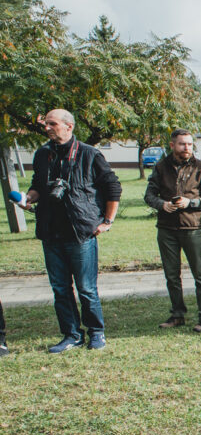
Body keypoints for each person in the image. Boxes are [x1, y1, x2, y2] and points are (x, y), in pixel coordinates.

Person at [21, 109, 121, 352]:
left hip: (80, 232)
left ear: (69, 127)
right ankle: (71, 335)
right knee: (60, 288)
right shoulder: (43, 154)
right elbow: (37, 186)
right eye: (46, 124)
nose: (47, 128)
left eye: (52, 124)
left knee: (86, 288)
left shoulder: (89, 153)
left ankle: (96, 333)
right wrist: (29, 198)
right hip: (50, 232)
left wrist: (107, 221)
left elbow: (113, 188)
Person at [144, 128, 201, 332]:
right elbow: (149, 195)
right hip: (166, 229)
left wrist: (189, 203)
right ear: (172, 145)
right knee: (171, 275)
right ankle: (177, 315)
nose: (187, 148)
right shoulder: (160, 167)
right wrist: (162, 204)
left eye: (189, 144)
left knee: (200, 274)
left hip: (192, 228)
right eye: (182, 144)